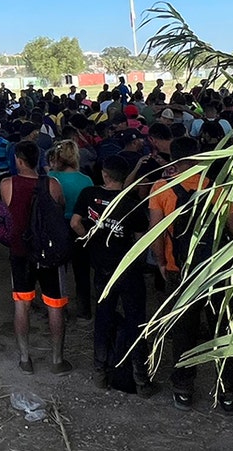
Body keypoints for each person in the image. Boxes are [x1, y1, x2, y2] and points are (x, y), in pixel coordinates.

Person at [150, 136, 233, 414]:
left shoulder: (161, 188)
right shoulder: (217, 189)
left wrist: (160, 262)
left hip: (179, 272)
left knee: (182, 333)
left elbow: (156, 233)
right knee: (223, 329)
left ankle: (183, 390)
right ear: (201, 159)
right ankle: (228, 393)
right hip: (216, 272)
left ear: (174, 160)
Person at [71, 156, 154, 395]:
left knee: (103, 319)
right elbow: (141, 240)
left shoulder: (89, 195)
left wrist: (90, 239)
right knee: (136, 321)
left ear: (105, 175)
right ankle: (141, 378)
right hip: (127, 270)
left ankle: (100, 371)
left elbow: (75, 223)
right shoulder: (133, 204)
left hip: (102, 268)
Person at [2, 141, 70, 374]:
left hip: (20, 251)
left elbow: (7, 211)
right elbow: (61, 207)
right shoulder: (52, 184)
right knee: (55, 306)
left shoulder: (7, 184)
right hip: (49, 252)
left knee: (22, 304)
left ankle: (24, 358)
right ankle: (57, 360)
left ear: (19, 161)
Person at [48, 139, 94, 320]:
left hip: (57, 227)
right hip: (79, 226)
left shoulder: (52, 178)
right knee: (82, 271)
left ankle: (59, 310)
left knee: (59, 270)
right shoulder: (86, 180)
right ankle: (84, 311)